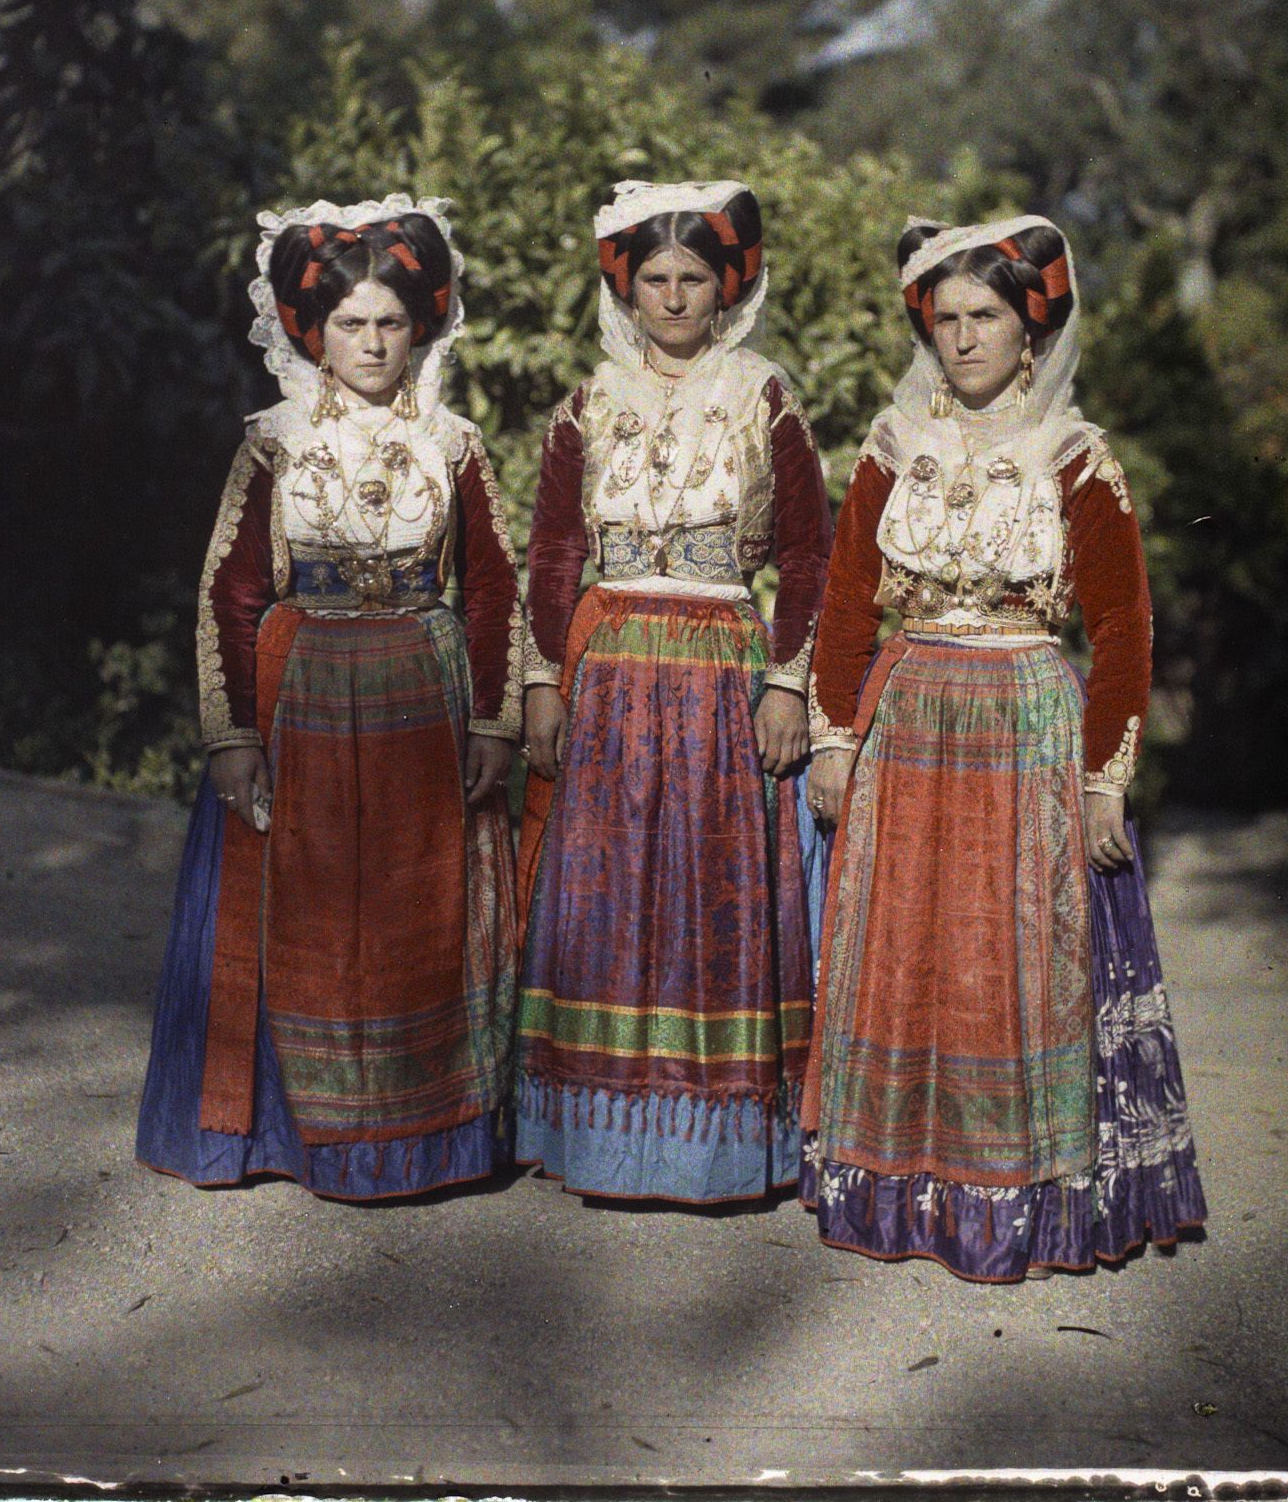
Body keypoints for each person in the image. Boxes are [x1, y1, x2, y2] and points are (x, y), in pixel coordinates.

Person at [801, 214, 1206, 1279]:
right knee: (910, 947)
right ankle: (901, 1190)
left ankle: (1018, 1196)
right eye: (946, 319)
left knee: (1013, 948)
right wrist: (835, 735)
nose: (964, 337)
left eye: (985, 315)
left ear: (1031, 329)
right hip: (910, 711)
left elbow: (1121, 625)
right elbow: (846, 601)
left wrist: (1104, 779)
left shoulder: (1073, 455)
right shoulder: (895, 447)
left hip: (1026, 715)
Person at [137, 197, 522, 1201]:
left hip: (423, 702)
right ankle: (283, 1131)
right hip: (300, 696)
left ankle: (426, 1136)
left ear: (423, 325)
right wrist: (231, 736)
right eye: (351, 322)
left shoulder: (454, 442)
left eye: (391, 321)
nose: (372, 342)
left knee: (418, 906)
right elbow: (229, 590)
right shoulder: (274, 440)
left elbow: (491, 585)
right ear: (312, 329)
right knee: (300, 908)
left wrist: (493, 717)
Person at [515, 178, 834, 1204]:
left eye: (693, 277)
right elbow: (553, 551)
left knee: (711, 886)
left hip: (717, 668)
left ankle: (715, 1147)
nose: (673, 298)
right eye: (654, 278)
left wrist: (786, 682)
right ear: (626, 284)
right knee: (607, 887)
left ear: (725, 282)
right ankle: (601, 1140)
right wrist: (543, 683)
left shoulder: (762, 393)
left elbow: (811, 554)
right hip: (606, 667)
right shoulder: (588, 401)